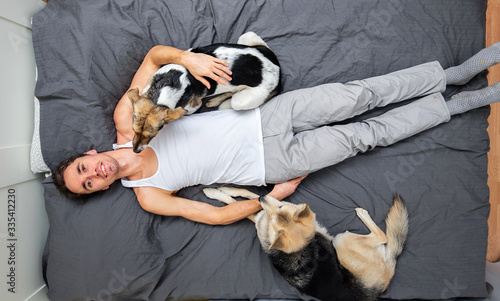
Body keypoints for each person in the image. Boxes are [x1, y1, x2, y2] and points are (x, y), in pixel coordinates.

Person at [54, 42, 500, 225]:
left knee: (357, 95)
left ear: (89, 153)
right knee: (366, 136)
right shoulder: (148, 195)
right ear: (101, 188)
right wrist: (273, 198)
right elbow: (216, 215)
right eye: (90, 182)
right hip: (271, 164)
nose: (95, 172)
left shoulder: (124, 121)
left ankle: (451, 76)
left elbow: (153, 58)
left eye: (83, 167)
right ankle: (459, 103)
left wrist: (189, 60)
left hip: (262, 118)